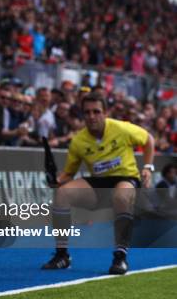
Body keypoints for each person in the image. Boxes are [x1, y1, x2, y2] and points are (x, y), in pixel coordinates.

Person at [42, 92, 155, 275]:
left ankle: (120, 257)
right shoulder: (78, 141)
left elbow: (148, 139)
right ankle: (62, 256)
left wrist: (148, 167)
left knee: (121, 196)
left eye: (96, 111)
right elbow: (68, 173)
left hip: (125, 178)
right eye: (87, 112)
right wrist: (57, 181)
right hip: (99, 184)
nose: (92, 116)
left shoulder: (122, 129)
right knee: (62, 194)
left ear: (105, 112)